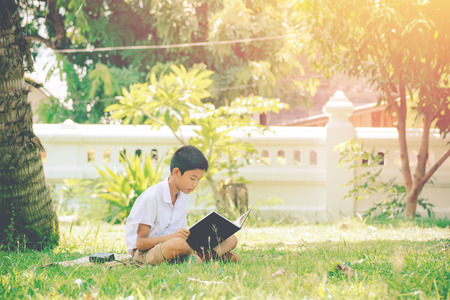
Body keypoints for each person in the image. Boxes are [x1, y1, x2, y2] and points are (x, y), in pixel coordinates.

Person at [125, 145, 238, 266]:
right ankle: (208, 256)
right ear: (176, 172)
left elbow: (181, 235)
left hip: (178, 245)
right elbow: (141, 243)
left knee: (232, 239)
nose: (195, 184)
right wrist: (172, 237)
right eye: (192, 178)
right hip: (145, 252)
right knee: (177, 244)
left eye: (198, 180)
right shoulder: (151, 197)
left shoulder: (183, 196)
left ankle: (198, 257)